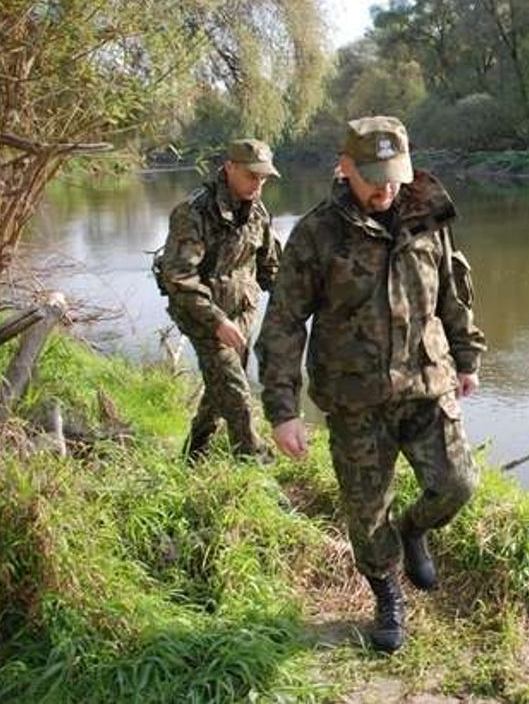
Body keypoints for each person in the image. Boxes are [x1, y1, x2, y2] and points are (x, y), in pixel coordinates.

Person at [255, 116, 486, 654]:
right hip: (355, 399)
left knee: (458, 484)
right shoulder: (317, 234)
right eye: (373, 177)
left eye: (394, 175)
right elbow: (284, 323)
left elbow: (453, 291)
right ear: (345, 168)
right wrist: (282, 409)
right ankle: (386, 594)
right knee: (365, 510)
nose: (386, 188)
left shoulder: (429, 216)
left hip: (428, 384)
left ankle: (414, 530)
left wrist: (468, 355)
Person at [156, 138, 282, 462]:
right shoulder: (193, 212)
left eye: (264, 178)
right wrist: (217, 321)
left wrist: (298, 302)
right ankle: (256, 467)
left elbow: (270, 268)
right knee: (237, 393)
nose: (259, 184)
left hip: (241, 312)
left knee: (220, 387)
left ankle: (193, 455)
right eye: (252, 176)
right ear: (229, 168)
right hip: (200, 315)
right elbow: (179, 278)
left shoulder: (258, 212)